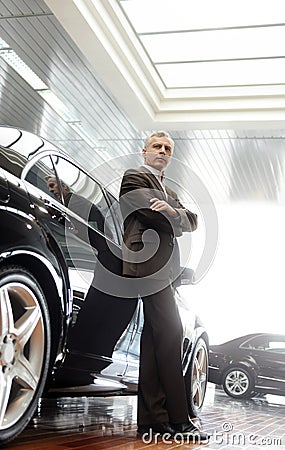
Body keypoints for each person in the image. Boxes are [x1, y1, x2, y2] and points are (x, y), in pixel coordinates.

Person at [119, 131, 209, 441]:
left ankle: (151, 421)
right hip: (145, 263)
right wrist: (176, 217)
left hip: (164, 270)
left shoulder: (168, 191)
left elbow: (194, 220)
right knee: (171, 332)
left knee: (155, 340)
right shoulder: (133, 176)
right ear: (143, 152)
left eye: (167, 148)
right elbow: (147, 213)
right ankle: (179, 420)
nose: (162, 151)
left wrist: (173, 211)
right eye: (156, 146)